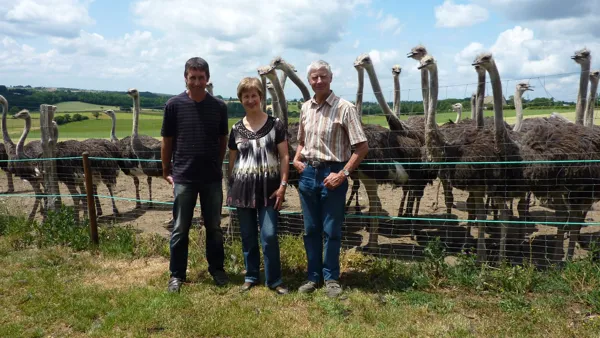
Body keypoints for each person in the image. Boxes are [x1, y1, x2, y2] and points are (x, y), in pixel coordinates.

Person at [293, 60, 369, 298]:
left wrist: (344, 173)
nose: (319, 81)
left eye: (323, 76)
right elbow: (302, 141)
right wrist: (297, 159)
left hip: (333, 173)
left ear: (331, 78)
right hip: (308, 173)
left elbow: (362, 147)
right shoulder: (306, 108)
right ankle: (312, 277)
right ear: (309, 81)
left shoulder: (345, 108)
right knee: (310, 229)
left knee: (331, 230)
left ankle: (331, 278)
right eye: (314, 77)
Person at [161, 57, 229, 293]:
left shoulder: (219, 106)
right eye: (193, 77)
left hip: (211, 178)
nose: (197, 82)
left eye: (201, 77)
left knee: (214, 227)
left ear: (207, 79)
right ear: (185, 78)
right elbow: (167, 140)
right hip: (184, 177)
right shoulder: (173, 105)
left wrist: (217, 164)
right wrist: (166, 169)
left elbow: (223, 140)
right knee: (180, 228)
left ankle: (217, 270)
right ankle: (176, 274)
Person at [227, 77, 290, 295]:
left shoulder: (276, 125)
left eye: (254, 95)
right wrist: (231, 184)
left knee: (269, 234)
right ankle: (251, 276)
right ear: (241, 100)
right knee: (247, 235)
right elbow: (232, 159)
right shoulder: (235, 129)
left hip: (270, 190)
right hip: (243, 190)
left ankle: (274, 279)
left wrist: (283, 185)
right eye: (246, 96)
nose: (251, 99)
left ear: (261, 97)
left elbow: (284, 157)